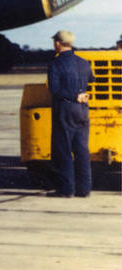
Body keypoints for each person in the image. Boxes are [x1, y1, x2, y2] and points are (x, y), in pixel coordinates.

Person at [47, 29, 93, 198]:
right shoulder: (83, 62)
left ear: (58, 44)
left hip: (65, 110)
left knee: (64, 150)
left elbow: (54, 90)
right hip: (82, 111)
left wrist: (73, 95)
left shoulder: (55, 64)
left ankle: (67, 189)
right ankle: (85, 189)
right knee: (82, 150)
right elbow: (91, 80)